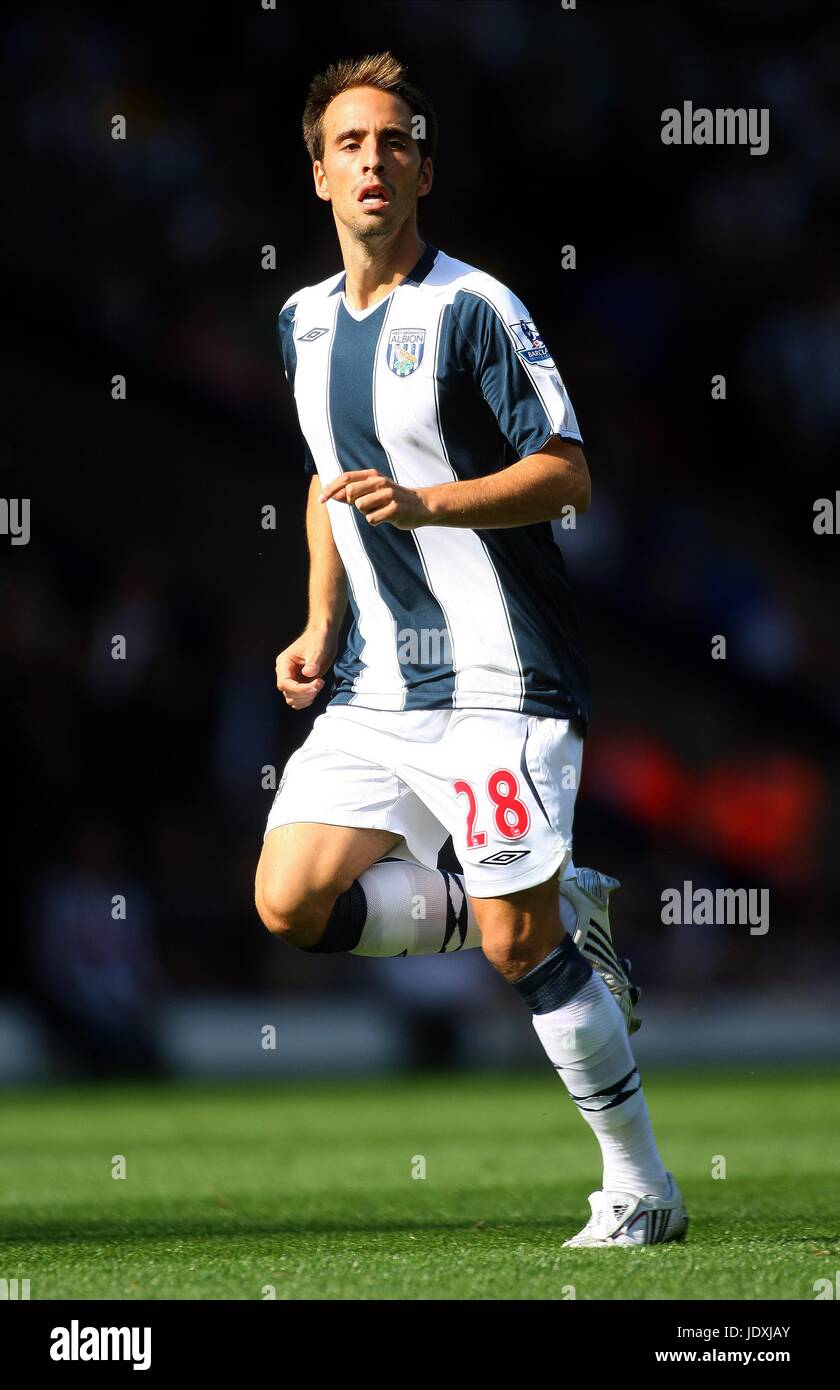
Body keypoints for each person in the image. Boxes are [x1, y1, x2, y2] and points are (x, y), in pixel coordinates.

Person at [254, 51, 686, 1247]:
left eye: (394, 140)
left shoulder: (477, 306)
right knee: (290, 900)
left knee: (511, 945)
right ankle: (560, 894)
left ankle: (643, 1188)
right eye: (350, 142)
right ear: (319, 174)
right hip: (378, 685)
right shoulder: (298, 322)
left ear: (425, 168)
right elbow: (324, 481)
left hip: (504, 677)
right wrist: (319, 622)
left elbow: (568, 475)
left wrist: (430, 503)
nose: (373, 159)